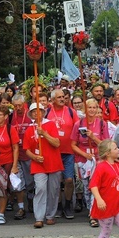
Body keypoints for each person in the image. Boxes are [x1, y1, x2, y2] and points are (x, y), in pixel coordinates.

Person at [22, 103, 63, 228]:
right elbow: (26, 149)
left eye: (38, 111)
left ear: (42, 113)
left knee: (53, 190)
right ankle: (39, 217)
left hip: (53, 161)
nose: (36, 113)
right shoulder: (29, 129)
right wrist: (34, 157)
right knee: (40, 188)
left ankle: (50, 215)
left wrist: (44, 134)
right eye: (33, 111)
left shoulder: (50, 124)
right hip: (38, 163)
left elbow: (57, 143)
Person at [70, 98, 109, 227]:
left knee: (95, 187)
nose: (91, 110)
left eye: (94, 107)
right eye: (89, 108)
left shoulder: (102, 124)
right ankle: (90, 209)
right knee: (87, 188)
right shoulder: (79, 124)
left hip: (98, 160)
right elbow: (73, 145)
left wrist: (93, 137)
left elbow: (106, 144)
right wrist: (85, 155)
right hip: (83, 159)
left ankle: (94, 214)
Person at [45, 89, 79, 219]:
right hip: (53, 152)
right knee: (56, 181)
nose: (62, 99)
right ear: (53, 99)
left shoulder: (71, 111)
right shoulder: (47, 112)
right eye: (59, 97)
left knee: (69, 180)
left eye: (63, 97)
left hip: (68, 151)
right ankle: (58, 205)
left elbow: (77, 127)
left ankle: (68, 204)